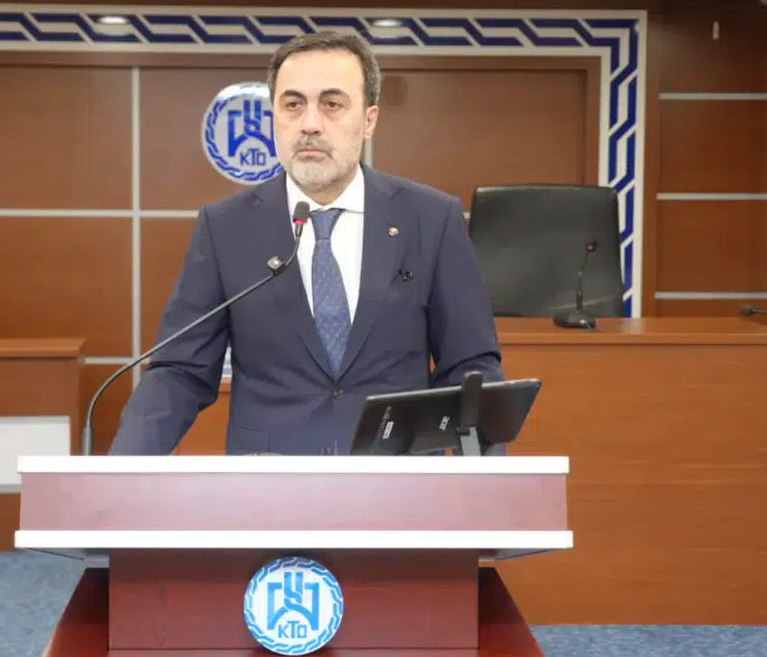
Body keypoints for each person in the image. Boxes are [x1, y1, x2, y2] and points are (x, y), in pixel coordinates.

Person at [108, 31, 504, 456]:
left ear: (369, 120)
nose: (310, 124)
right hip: (270, 484)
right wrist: (118, 473)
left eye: (332, 104)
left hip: (397, 480)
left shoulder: (431, 219)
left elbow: (471, 367)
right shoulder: (225, 228)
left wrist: (483, 479)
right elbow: (179, 373)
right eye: (293, 104)